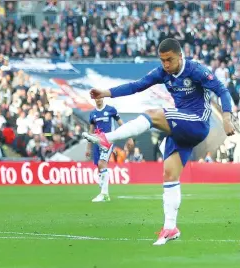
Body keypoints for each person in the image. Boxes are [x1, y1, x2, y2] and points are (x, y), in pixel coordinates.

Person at [82, 38, 235, 246]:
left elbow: (222, 90)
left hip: (197, 121)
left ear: (180, 56)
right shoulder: (163, 73)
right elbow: (136, 86)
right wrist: (106, 93)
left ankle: (106, 139)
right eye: (162, 60)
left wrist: (226, 117)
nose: (166, 65)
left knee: (152, 114)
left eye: (169, 60)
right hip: (181, 125)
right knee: (169, 174)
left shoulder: (196, 70)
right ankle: (170, 227)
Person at [86, 98, 132, 202]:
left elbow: (121, 124)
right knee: (99, 165)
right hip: (97, 142)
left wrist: (129, 136)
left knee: (102, 163)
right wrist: (88, 147)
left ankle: (105, 194)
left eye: (100, 97)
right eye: (96, 97)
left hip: (108, 141)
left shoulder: (111, 110)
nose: (98, 99)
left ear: (102, 97)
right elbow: (91, 130)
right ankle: (102, 189)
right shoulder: (92, 113)